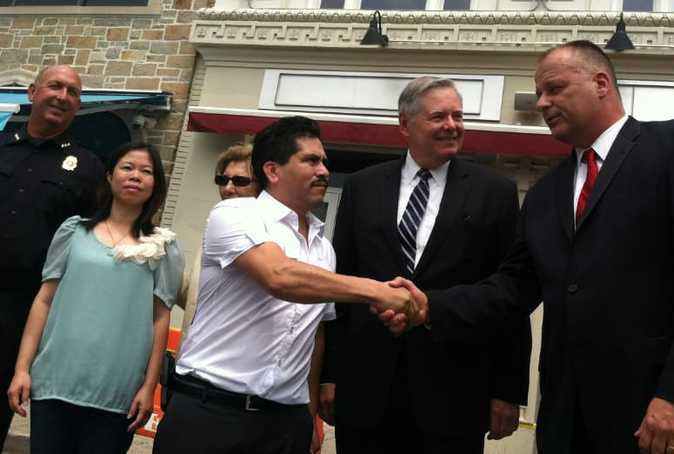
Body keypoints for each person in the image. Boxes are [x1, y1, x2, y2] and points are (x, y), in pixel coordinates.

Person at [383, 40, 674, 454]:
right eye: (539, 93)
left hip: (661, 419)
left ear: (601, 83)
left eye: (554, 88)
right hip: (567, 420)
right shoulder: (546, 193)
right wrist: (430, 306)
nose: (542, 103)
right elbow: (513, 288)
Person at [152, 116, 417, 454]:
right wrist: (378, 291)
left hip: (284, 424)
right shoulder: (235, 213)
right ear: (273, 171)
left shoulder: (323, 247)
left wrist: (308, 420)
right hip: (211, 412)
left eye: (324, 161)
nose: (323, 170)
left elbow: (313, 337)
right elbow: (279, 276)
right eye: (310, 160)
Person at [320, 77, 531, 454]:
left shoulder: (494, 192)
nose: (452, 125)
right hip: (366, 388)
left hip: (454, 393)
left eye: (458, 115)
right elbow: (341, 284)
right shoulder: (361, 187)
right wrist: (329, 375)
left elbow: (510, 295)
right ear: (405, 124)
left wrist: (506, 390)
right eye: (439, 116)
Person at [6, 142, 184, 453]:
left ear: (156, 184)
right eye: (127, 167)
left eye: (146, 171)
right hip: (55, 380)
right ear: (109, 176)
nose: (135, 176)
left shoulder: (163, 247)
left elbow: (160, 318)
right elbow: (44, 300)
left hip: (118, 391)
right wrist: (23, 369)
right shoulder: (74, 232)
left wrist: (148, 386)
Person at [0, 64, 105, 446]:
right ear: (32, 92)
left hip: (22, 311)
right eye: (55, 86)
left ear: (78, 106)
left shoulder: (89, 168)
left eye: (73, 92)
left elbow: (93, 240)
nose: (63, 96)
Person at [177, 143, 257, 339]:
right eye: (223, 180)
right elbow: (195, 298)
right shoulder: (216, 226)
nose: (228, 188)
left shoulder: (269, 232)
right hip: (192, 355)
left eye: (240, 181)